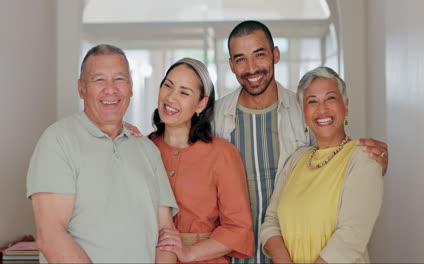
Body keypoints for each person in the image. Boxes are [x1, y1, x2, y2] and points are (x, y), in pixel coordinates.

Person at [213, 20, 388, 263]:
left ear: (276, 54)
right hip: (237, 254)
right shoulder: (214, 117)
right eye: (240, 59)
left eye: (259, 54)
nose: (251, 68)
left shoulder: (301, 108)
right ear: (231, 65)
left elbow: (336, 157)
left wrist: (372, 161)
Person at [26, 44, 178, 263]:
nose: (111, 89)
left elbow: (166, 235)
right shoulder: (58, 141)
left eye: (119, 79)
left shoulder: (147, 149)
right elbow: (51, 237)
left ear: (131, 87)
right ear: (81, 88)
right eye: (99, 80)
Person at [260, 66, 383, 263]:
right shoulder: (296, 159)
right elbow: (271, 222)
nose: (322, 109)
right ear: (304, 112)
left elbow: (351, 236)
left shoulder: (363, 158)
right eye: (312, 101)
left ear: (346, 106)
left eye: (330, 98)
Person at [151, 58, 254, 263]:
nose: (171, 97)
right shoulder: (144, 148)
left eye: (184, 92)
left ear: (201, 104)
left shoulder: (222, 153)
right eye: (168, 86)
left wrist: (189, 253)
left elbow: (238, 228)